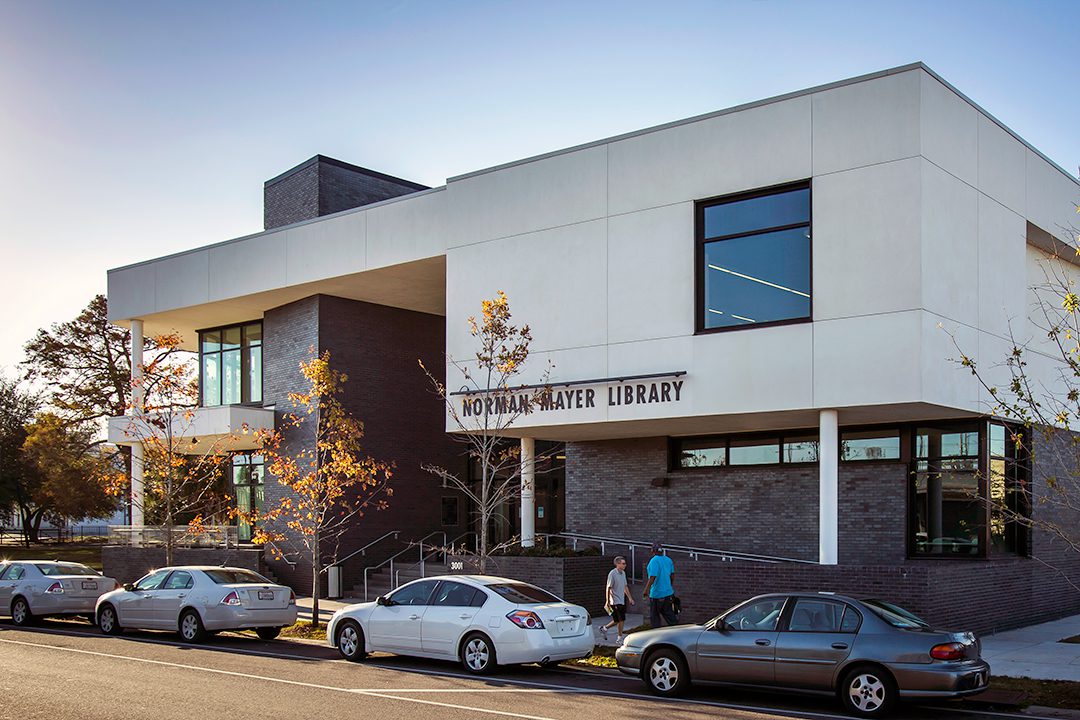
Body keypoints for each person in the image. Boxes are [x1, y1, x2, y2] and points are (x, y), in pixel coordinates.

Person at [642, 541, 677, 628]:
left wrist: (646, 590)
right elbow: (672, 575)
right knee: (670, 616)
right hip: (668, 593)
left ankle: (656, 636)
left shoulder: (654, 561)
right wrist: (670, 585)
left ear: (652, 551)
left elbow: (653, 577)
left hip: (657, 594)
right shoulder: (668, 560)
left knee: (655, 617)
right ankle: (677, 631)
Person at [599, 556, 634, 643]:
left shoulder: (623, 573)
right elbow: (608, 587)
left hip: (621, 599)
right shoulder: (612, 574)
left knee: (617, 620)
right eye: (623, 563)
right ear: (617, 564)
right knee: (621, 619)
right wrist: (607, 601)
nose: (625, 565)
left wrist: (630, 598)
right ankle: (619, 638)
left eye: (625, 563)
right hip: (614, 601)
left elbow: (625, 586)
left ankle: (604, 628)